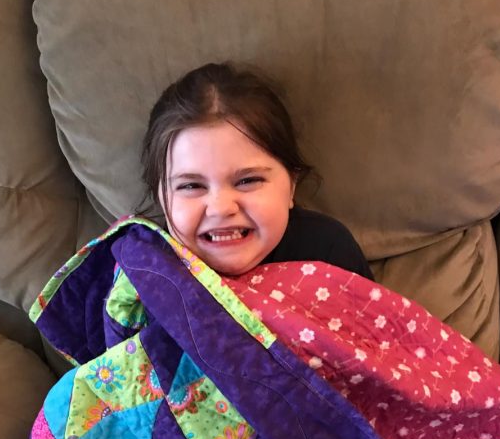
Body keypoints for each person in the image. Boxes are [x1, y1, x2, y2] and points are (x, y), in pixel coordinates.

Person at [140, 62, 373, 279]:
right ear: (159, 195)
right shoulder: (147, 269)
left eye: (248, 180)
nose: (221, 208)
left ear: (292, 184)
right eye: (191, 186)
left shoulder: (328, 250)